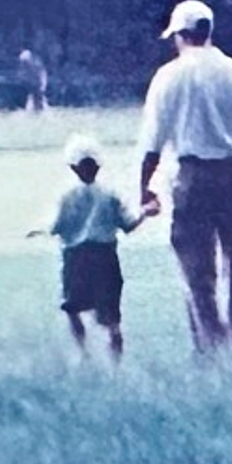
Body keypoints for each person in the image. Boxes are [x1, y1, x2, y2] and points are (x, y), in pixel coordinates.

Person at [135, 0, 232, 352]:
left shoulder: (168, 77)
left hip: (191, 178)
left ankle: (210, 348)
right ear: (209, 31)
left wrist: (144, 188)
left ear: (181, 35)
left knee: (198, 272)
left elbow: (152, 143)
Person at [29, 133, 157, 360]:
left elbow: (56, 225)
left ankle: (82, 351)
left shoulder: (67, 196)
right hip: (105, 257)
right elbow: (128, 224)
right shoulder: (109, 194)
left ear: (73, 168)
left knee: (73, 307)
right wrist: (146, 212)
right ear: (98, 166)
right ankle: (115, 360)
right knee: (112, 317)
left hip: (76, 258)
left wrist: (40, 229)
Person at [17, 48, 51, 114]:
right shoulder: (26, 68)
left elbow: (42, 74)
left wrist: (42, 85)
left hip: (38, 85)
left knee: (39, 99)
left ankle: (43, 111)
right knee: (33, 98)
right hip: (32, 86)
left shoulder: (37, 65)